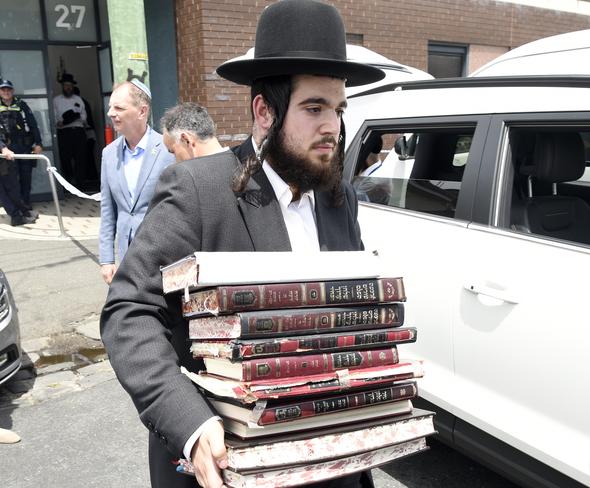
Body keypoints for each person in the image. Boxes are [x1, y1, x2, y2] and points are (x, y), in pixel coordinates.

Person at [100, 1, 384, 487]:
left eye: (338, 109)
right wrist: (189, 422)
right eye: (314, 108)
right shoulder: (198, 190)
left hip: (329, 462)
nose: (332, 127)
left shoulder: (339, 197)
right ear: (264, 111)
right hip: (228, 463)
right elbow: (129, 310)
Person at [98, 80, 175, 285]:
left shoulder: (168, 150)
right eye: (110, 107)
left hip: (162, 258)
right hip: (126, 258)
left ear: (142, 111)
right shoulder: (109, 154)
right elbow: (108, 210)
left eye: (119, 108)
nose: (111, 113)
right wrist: (106, 259)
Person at [0, 79, 43, 208]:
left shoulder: (21, 105)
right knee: (11, 179)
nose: (6, 92)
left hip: (23, 147)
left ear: (12, 91)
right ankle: (16, 205)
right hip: (7, 149)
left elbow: (33, 125)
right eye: (3, 89)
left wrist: (38, 143)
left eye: (8, 89)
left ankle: (26, 202)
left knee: (26, 176)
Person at [53, 73, 87, 187]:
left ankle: (80, 184)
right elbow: (56, 119)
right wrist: (65, 121)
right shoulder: (56, 100)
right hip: (64, 133)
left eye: (70, 85)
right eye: (66, 85)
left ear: (73, 86)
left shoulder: (78, 99)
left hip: (78, 131)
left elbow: (83, 117)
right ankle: (68, 183)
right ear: (62, 86)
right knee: (65, 158)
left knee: (80, 158)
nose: (68, 87)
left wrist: (72, 119)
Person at [160, 102, 226, 162]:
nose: (175, 161)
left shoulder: (184, 173)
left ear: (186, 140)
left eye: (173, 152)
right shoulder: (235, 160)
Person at [0, 137, 38, 226]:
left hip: (5, 156)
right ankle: (16, 217)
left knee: (12, 187)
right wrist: (3, 148)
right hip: (3, 157)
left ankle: (23, 212)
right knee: (6, 189)